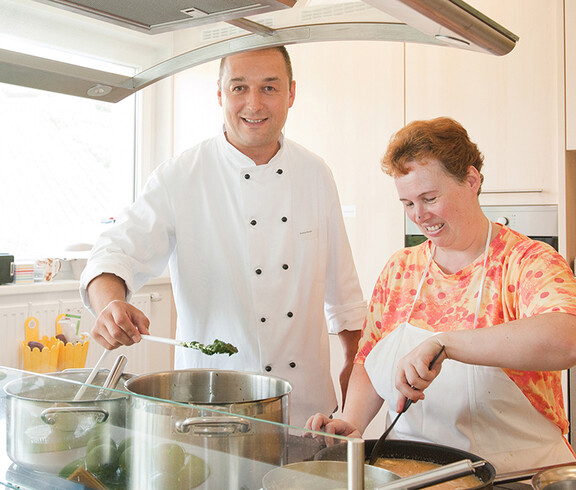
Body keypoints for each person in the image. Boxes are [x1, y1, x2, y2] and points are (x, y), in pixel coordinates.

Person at [79, 46, 366, 428]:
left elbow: (343, 290)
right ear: (219, 94)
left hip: (308, 411)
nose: (254, 104)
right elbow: (113, 254)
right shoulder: (181, 176)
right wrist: (109, 305)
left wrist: (353, 363)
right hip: (211, 411)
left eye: (269, 88)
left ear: (291, 93)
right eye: (238, 88)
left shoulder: (315, 173)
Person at [306, 117, 576, 472]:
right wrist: (352, 423)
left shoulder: (526, 262)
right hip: (416, 473)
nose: (420, 216)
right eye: (407, 204)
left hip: (521, 475)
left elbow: (566, 338)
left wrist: (446, 343)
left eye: (429, 198)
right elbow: (369, 360)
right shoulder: (401, 269)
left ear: (471, 180)